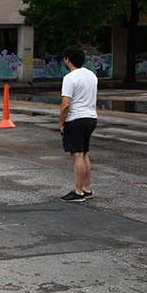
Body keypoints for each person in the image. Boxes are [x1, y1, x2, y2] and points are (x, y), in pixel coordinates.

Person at [59, 45, 97, 202]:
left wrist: (61, 122)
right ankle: (86, 188)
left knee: (77, 155)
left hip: (76, 119)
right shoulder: (92, 75)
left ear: (68, 59)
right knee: (85, 152)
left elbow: (66, 104)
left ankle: (78, 191)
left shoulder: (70, 78)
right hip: (91, 117)